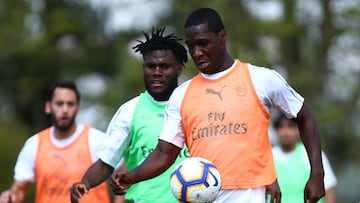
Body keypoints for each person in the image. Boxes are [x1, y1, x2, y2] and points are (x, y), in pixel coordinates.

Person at [110, 7, 326, 203]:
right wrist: (133, 175)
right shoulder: (181, 95)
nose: (197, 53)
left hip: (250, 193)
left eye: (203, 43)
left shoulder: (261, 79)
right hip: (200, 196)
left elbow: (304, 116)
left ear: (222, 37)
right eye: (191, 46)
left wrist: (317, 173)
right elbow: (164, 153)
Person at [69, 27, 189, 203]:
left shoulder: (192, 105)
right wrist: (85, 182)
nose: (157, 72)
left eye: (164, 66)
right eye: (151, 66)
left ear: (178, 69)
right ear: (144, 68)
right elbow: (106, 163)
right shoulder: (130, 111)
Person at [0, 81, 111, 203]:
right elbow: (19, 190)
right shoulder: (35, 144)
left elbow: (122, 174)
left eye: (70, 104)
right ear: (48, 107)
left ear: (78, 108)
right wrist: (10, 196)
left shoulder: (96, 140)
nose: (65, 109)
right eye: (59, 103)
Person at [272, 113, 337, 203]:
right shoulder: (269, 157)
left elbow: (329, 190)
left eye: (291, 126)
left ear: (299, 130)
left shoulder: (311, 154)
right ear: (276, 131)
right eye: (281, 127)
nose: (286, 132)